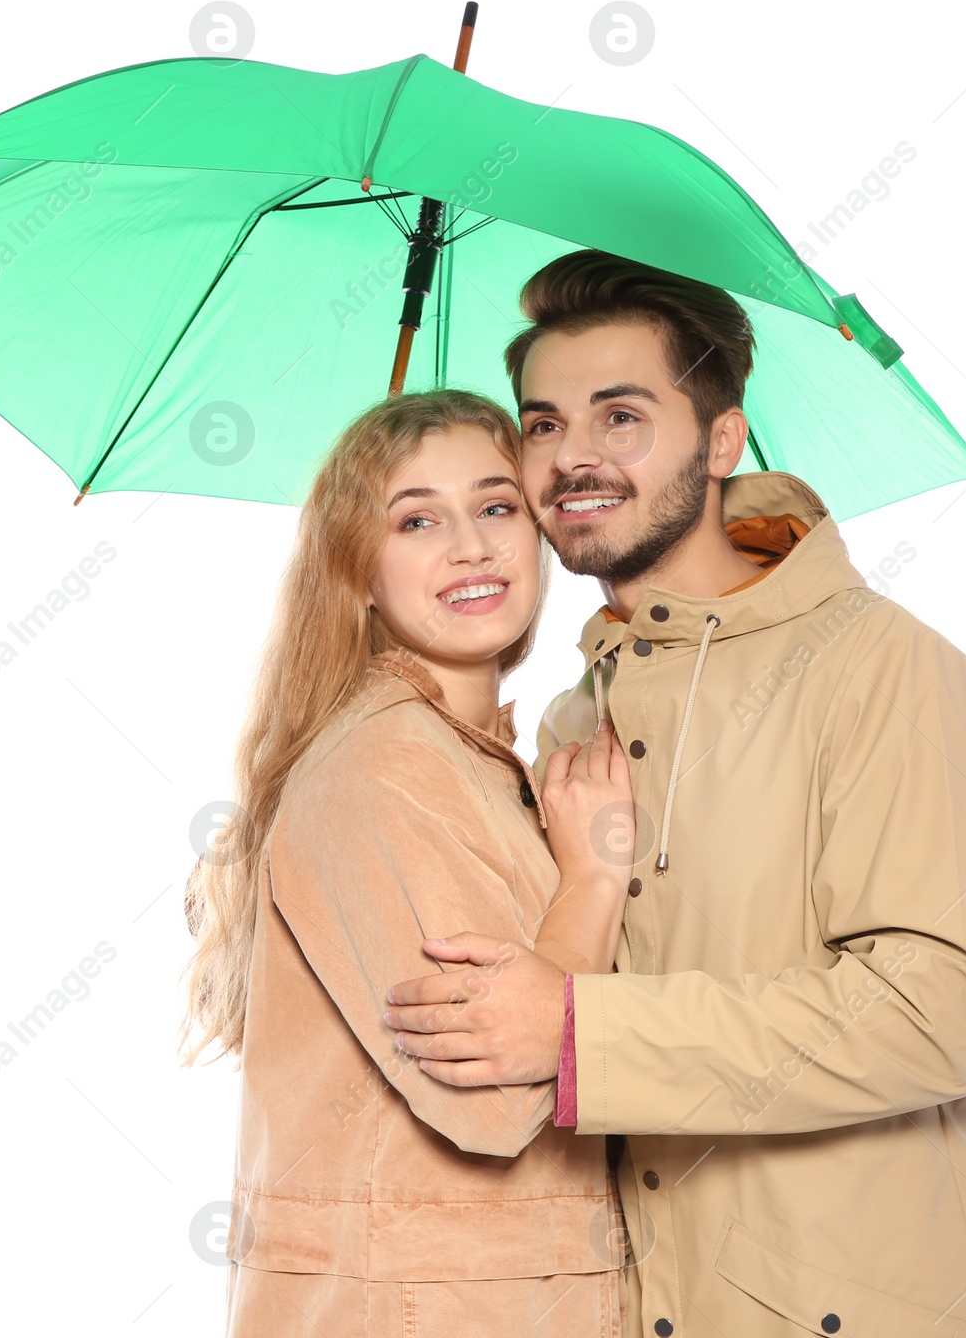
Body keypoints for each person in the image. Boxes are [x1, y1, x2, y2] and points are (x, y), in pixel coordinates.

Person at [383, 252, 966, 1338]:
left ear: (721, 440)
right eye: (541, 425)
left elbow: (932, 1013)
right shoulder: (573, 718)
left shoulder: (884, 671)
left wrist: (579, 1033)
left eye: (619, 416)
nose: (572, 458)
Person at [179, 388, 640, 1337]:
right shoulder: (387, 767)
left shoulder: (465, 760)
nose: (471, 545)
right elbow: (497, 1098)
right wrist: (594, 878)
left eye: (497, 505)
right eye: (416, 519)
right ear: (358, 570)